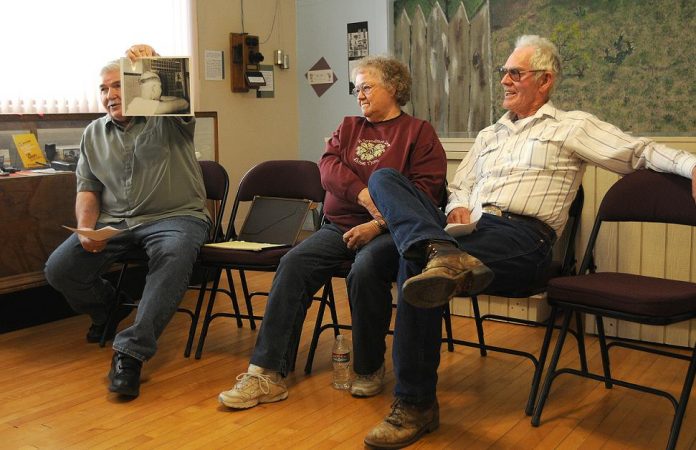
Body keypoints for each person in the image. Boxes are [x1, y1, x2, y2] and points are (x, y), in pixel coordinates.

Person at [362, 35, 696, 448]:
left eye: (514, 73)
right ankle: (440, 254)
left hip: (522, 240)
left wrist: (691, 163)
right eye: (503, 71)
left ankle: (415, 405)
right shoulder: (489, 135)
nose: (504, 79)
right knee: (383, 179)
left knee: (412, 261)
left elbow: (638, 151)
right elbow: (460, 185)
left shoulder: (571, 125)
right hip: (465, 234)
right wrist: (456, 208)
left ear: (545, 81)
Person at [217, 55, 447, 409]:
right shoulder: (349, 127)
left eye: (367, 86)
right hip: (339, 226)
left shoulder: (419, 133)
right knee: (294, 263)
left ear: (395, 88)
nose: (360, 95)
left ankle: (369, 368)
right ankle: (266, 373)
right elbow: (328, 168)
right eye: (356, 88)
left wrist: (377, 223)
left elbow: (426, 193)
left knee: (366, 270)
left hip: (389, 232)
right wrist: (364, 195)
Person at [44, 44, 210, 399]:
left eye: (118, 85)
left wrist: (150, 63)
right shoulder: (93, 133)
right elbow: (88, 188)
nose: (110, 95)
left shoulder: (167, 117)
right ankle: (107, 309)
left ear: (136, 86)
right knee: (60, 268)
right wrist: (87, 228)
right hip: (117, 221)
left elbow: (177, 96)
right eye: (103, 88)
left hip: (175, 216)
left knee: (174, 254)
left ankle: (130, 354)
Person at [125, 70, 190, 116]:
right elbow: (184, 103)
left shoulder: (138, 102)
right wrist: (159, 98)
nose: (161, 90)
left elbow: (175, 99)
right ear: (154, 88)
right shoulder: (142, 105)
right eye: (160, 87)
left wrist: (158, 97)